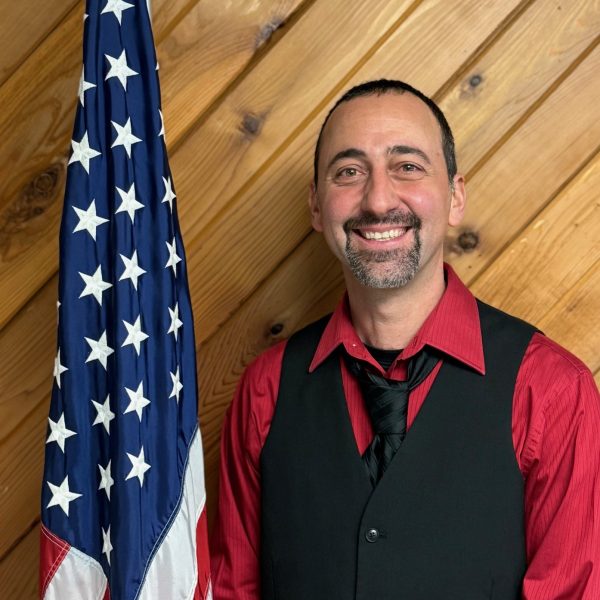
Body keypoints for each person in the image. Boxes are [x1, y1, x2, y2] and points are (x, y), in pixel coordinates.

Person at [210, 80, 600, 599]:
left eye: (408, 166)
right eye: (349, 172)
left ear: (455, 197)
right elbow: (234, 589)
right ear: (316, 206)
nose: (377, 200)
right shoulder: (265, 390)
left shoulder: (550, 390)